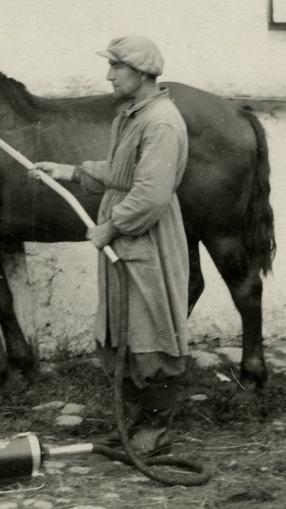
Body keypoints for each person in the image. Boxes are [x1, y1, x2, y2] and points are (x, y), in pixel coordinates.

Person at [32, 35, 189, 455]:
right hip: (127, 233)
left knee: (153, 327)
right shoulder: (133, 116)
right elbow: (123, 173)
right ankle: (130, 423)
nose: (109, 75)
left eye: (116, 67)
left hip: (147, 236)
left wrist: (111, 226)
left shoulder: (161, 122)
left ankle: (155, 430)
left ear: (140, 72)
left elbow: (152, 194)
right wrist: (68, 171)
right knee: (122, 327)